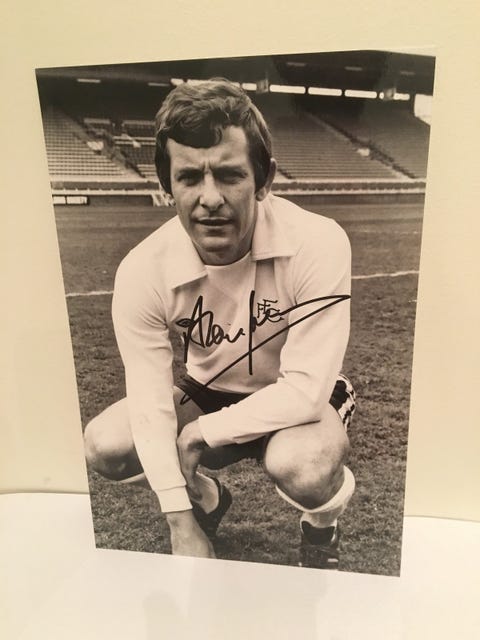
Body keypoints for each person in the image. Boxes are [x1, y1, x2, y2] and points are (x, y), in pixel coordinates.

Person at [84, 78, 356, 569]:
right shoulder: (143, 269)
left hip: (300, 397)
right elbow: (149, 404)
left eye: (229, 175)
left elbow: (306, 389)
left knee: (302, 466)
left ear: (263, 179)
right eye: (189, 177)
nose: (209, 198)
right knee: (107, 446)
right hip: (208, 390)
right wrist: (179, 521)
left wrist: (200, 433)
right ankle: (206, 499)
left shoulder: (318, 241)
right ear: (167, 186)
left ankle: (321, 529)